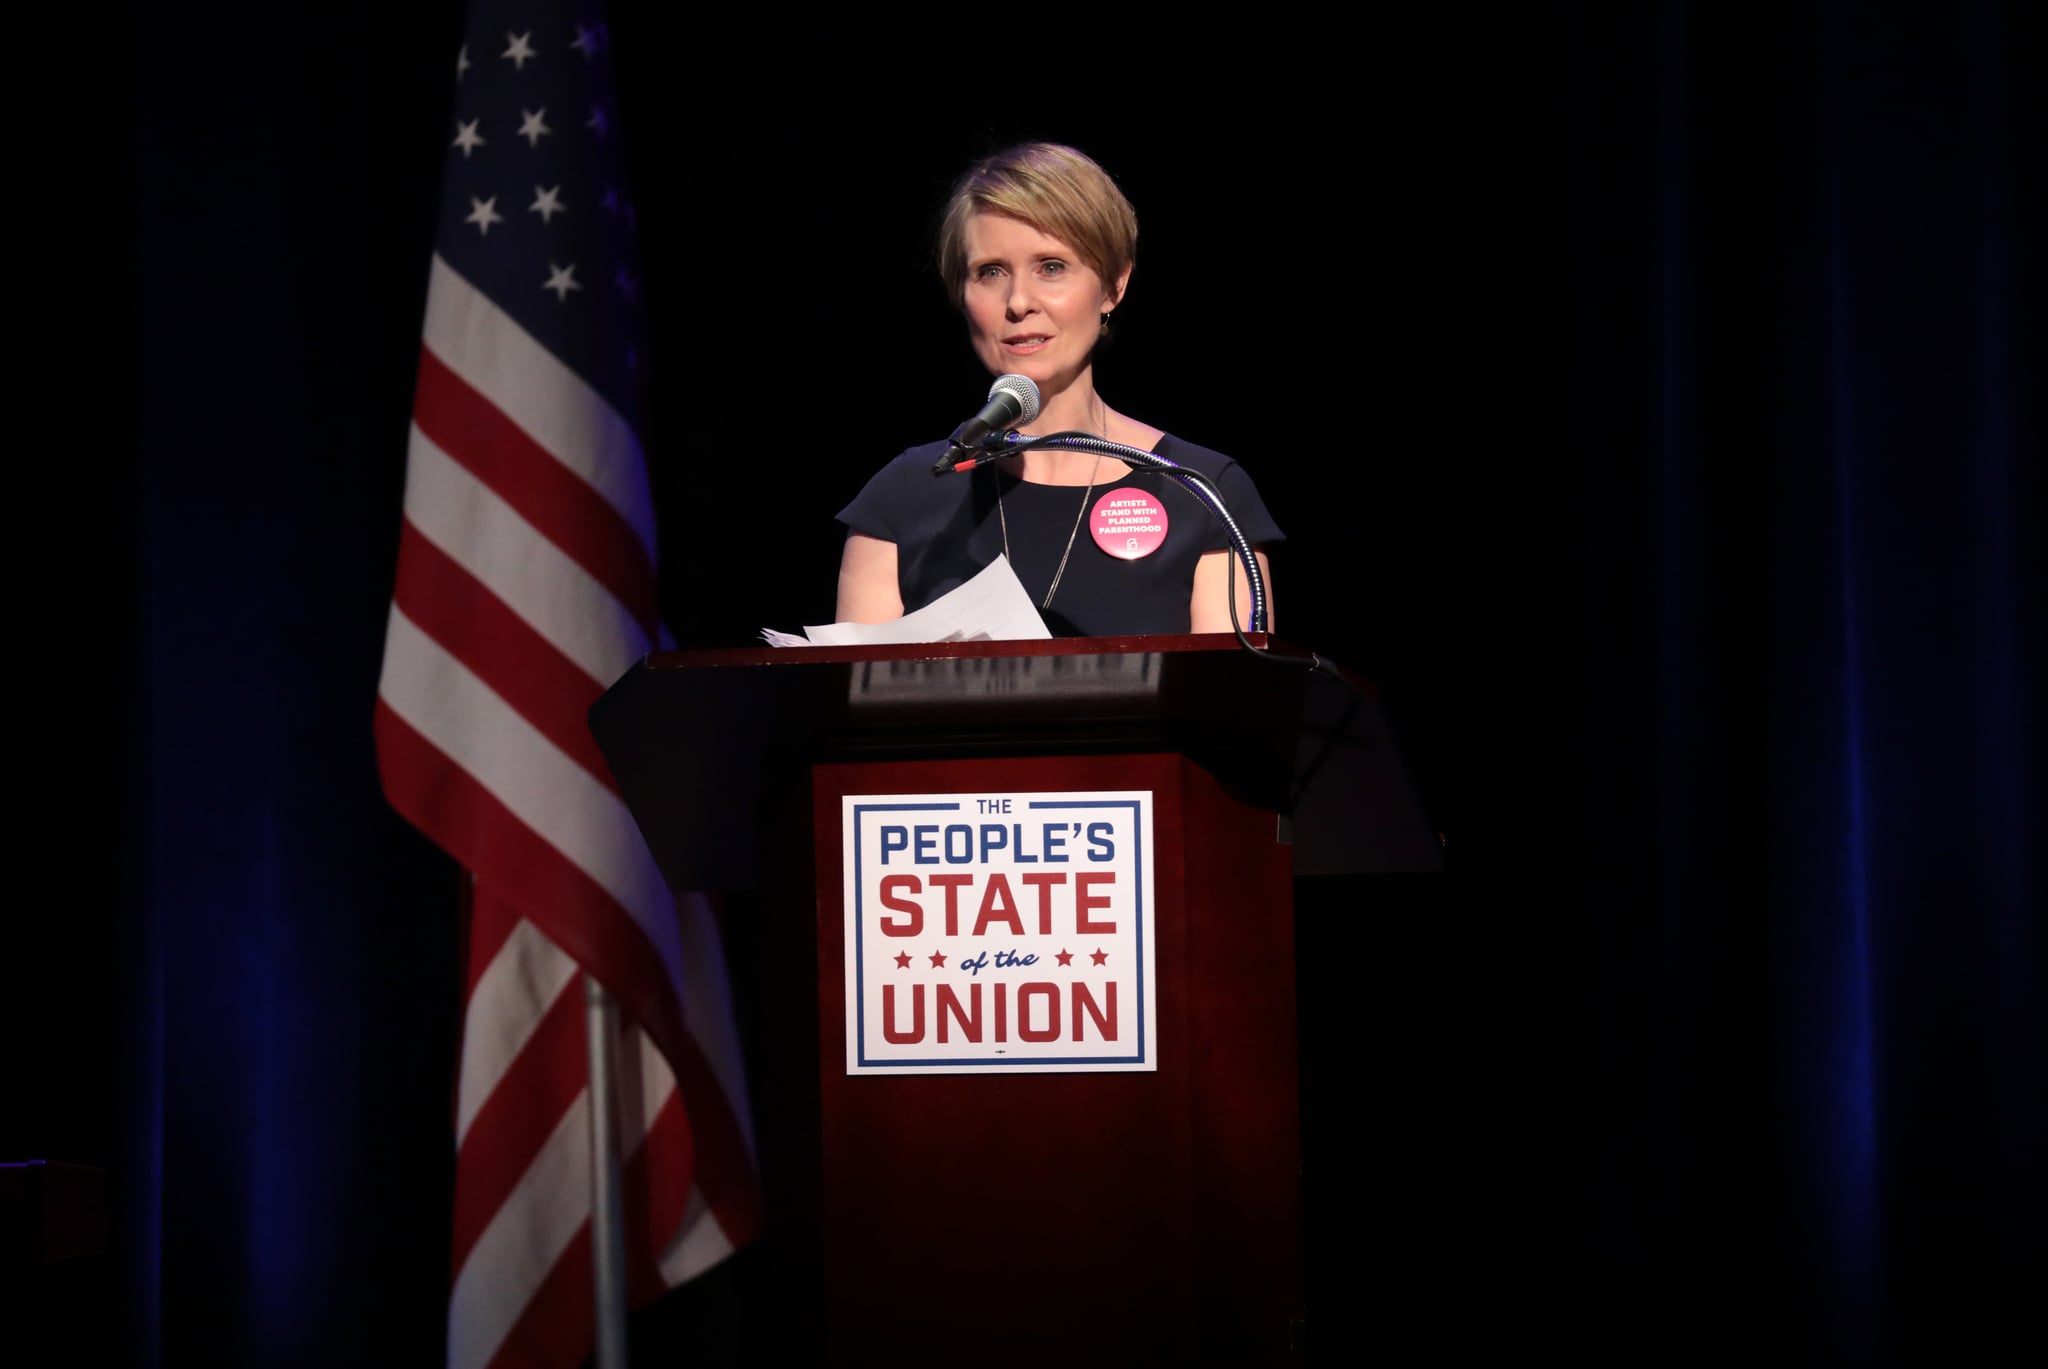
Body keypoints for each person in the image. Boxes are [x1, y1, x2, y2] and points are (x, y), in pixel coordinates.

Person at [833, 142, 1284, 638]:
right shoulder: (904, 495)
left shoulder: (1200, 490)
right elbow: (858, 701)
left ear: (1114, 286)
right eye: (990, 272)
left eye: (1051, 267)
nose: (1019, 301)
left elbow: (1227, 705)